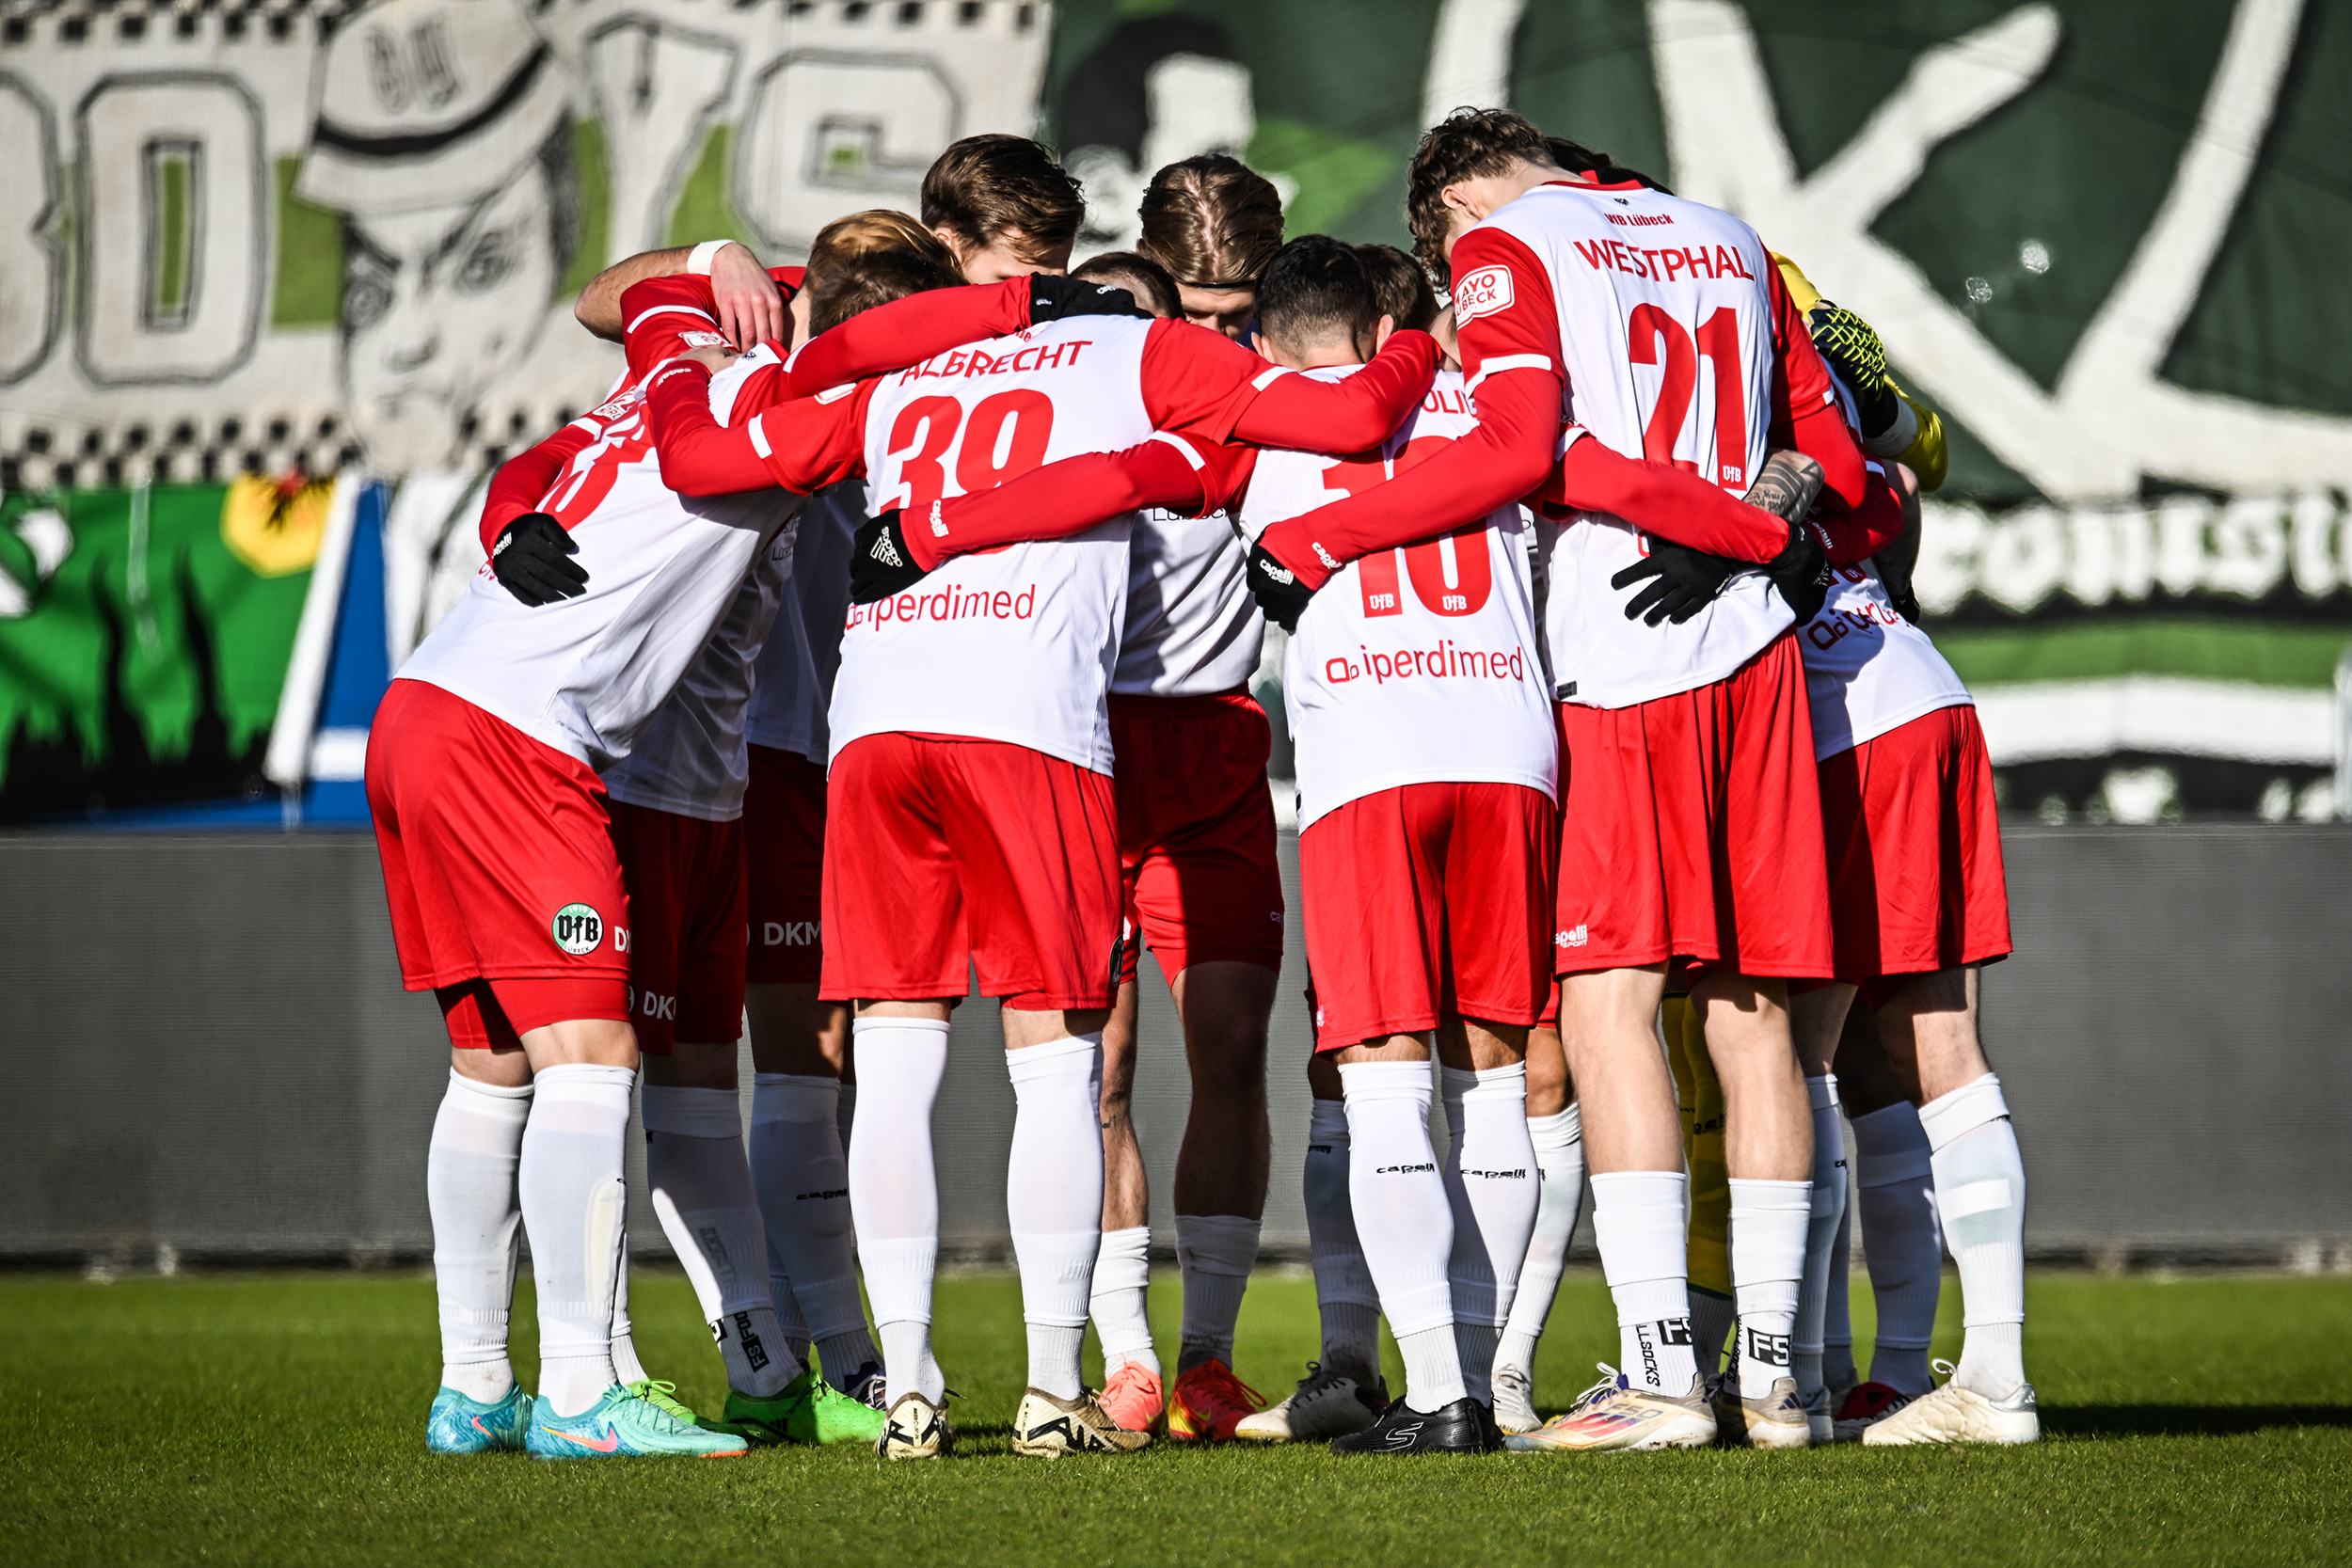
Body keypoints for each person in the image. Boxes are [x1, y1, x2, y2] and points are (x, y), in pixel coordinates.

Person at [643, 245, 1442, 1462]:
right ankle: (1050, 1380)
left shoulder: (905, 359)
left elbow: (730, 432)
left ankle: (905, 1383)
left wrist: (688, 316)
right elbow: (1353, 412)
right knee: (1058, 1062)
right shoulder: (1143, 350)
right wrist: (1418, 333)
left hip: (876, 721)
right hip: (1030, 724)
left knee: (897, 1060)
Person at [1249, 109, 1885, 1453]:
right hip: (1761, 647)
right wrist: (1742, 527)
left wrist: (1323, 535)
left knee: (1610, 1005)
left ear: (1459, 201)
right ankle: (1780, 1381)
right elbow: (1834, 457)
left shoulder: (1511, 244)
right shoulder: (1731, 235)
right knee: (1756, 1012)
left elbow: (1518, 447)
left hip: (1620, 651)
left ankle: (1663, 1374)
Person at [1136, 154, 1284, 340]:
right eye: (1191, 312)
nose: (1213, 335)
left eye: (1236, 314)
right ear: (1141, 266)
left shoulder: (1304, 353)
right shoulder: (1097, 344)